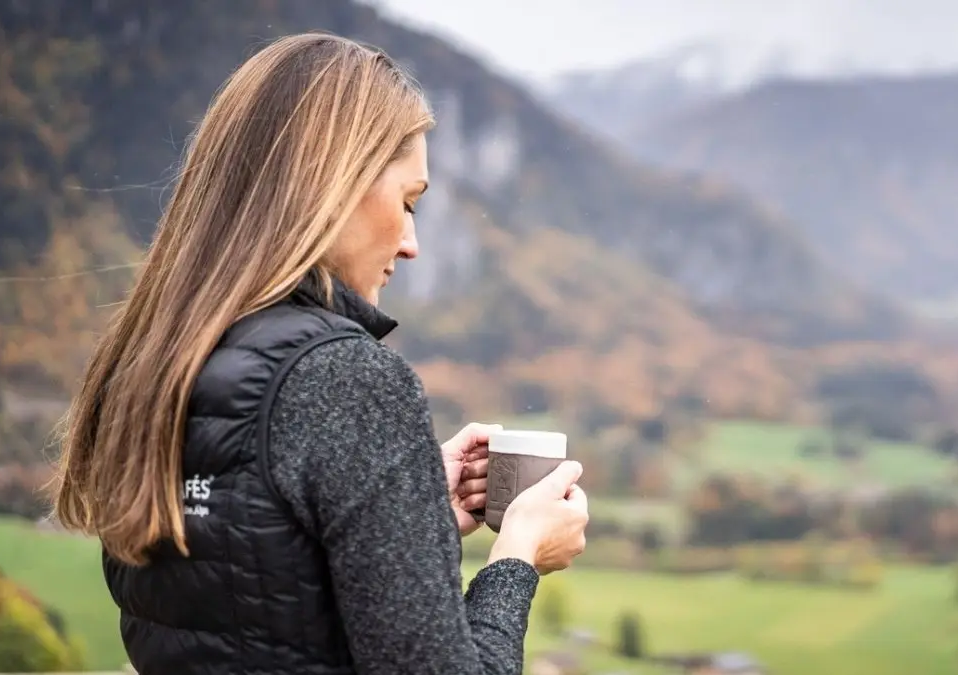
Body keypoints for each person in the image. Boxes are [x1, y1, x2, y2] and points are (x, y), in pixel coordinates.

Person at [50, 32, 589, 675]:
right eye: (408, 201)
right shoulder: (345, 379)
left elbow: (258, 592)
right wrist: (518, 558)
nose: (412, 242)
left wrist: (405, 507)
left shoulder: (152, 363)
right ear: (333, 187)